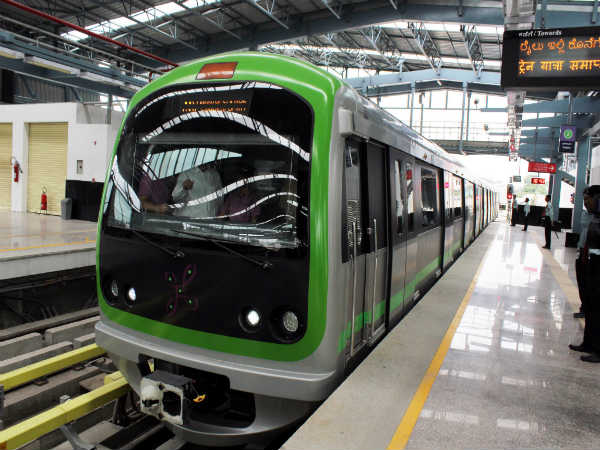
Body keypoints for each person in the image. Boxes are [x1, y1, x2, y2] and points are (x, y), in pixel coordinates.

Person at [569, 185, 600, 363]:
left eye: (589, 199)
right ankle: (588, 343)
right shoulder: (592, 217)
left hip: (597, 266)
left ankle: (598, 349)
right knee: (589, 305)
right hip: (587, 262)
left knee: (597, 308)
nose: (586, 203)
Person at [573, 203, 592, 318]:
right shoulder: (585, 213)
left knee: (588, 282)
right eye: (584, 199)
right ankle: (584, 306)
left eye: (589, 198)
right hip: (582, 249)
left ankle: (587, 308)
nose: (586, 202)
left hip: (591, 252)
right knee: (581, 281)